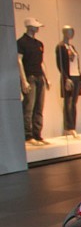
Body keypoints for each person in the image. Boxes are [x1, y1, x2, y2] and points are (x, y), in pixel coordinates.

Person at [17, 17, 49, 146]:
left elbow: (41, 62)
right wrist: (23, 80)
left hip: (39, 77)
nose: (37, 28)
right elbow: (19, 61)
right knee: (28, 107)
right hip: (29, 77)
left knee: (39, 107)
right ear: (29, 27)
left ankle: (37, 135)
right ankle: (28, 135)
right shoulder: (21, 42)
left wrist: (46, 78)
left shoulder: (39, 44)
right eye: (35, 26)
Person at [56, 25, 81, 138]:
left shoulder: (72, 47)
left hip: (76, 76)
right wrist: (66, 78)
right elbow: (60, 64)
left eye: (72, 31)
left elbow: (76, 63)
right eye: (69, 31)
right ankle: (68, 127)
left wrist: (80, 76)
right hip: (69, 77)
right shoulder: (60, 47)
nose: (72, 34)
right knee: (68, 102)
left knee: (73, 103)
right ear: (64, 32)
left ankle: (72, 127)